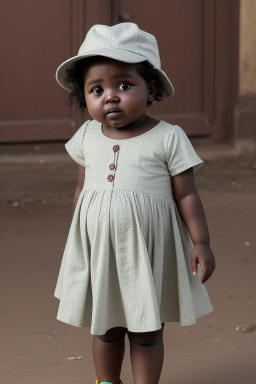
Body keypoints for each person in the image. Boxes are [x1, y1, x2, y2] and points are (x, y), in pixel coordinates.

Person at [54, 23, 216, 384]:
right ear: (84, 97)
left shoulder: (168, 138)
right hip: (102, 251)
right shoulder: (86, 136)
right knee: (106, 326)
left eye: (123, 85)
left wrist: (201, 241)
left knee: (146, 330)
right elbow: (82, 191)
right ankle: (107, 382)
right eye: (97, 89)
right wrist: (79, 241)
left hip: (149, 252)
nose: (110, 96)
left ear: (151, 88)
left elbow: (187, 194)